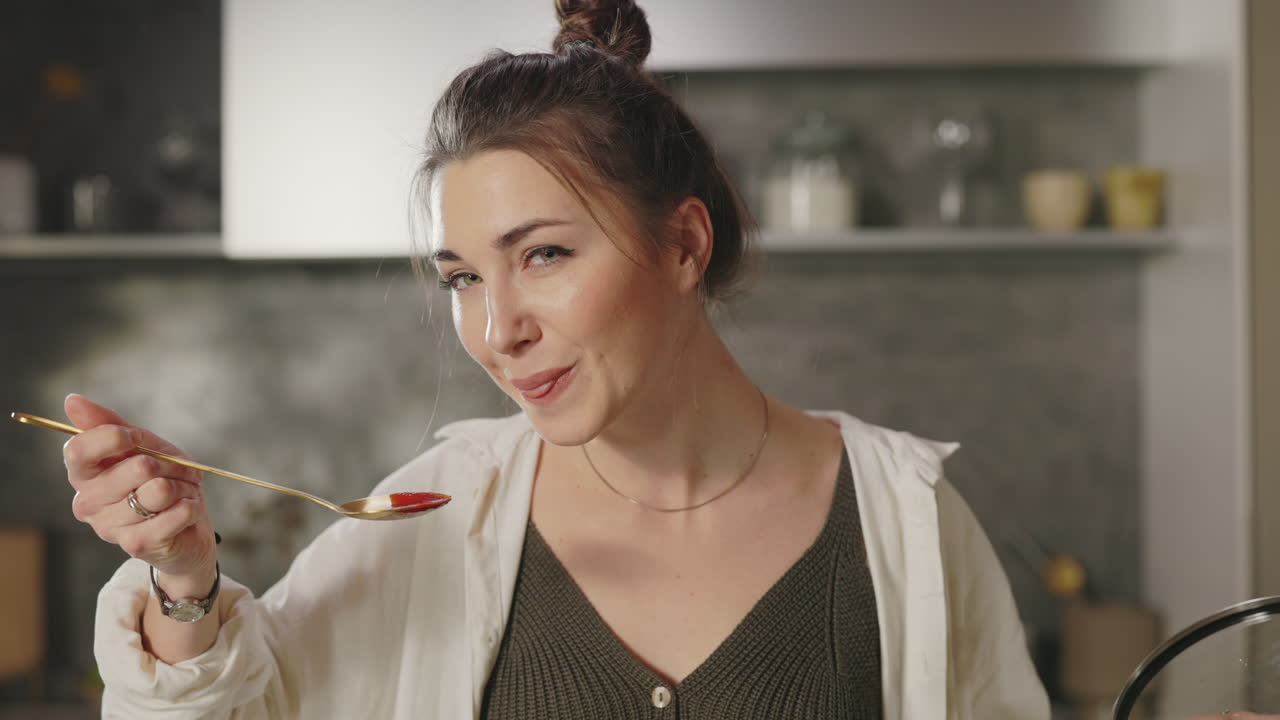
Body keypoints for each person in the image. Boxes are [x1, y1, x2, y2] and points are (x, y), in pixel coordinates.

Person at [66, 1, 1050, 717]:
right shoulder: (437, 515)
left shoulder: (901, 514)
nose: (498, 330)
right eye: (460, 278)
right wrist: (183, 576)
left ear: (682, 245)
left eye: (542, 255)